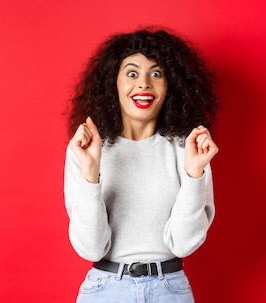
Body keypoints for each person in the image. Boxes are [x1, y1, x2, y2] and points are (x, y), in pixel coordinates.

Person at [64, 27, 219, 302]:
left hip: (170, 290)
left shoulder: (189, 148)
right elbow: (91, 248)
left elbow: (183, 244)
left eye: (156, 74)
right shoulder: (88, 149)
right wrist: (90, 174)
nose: (144, 83)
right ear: (114, 83)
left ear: (171, 85)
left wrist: (194, 174)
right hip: (104, 290)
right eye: (132, 73)